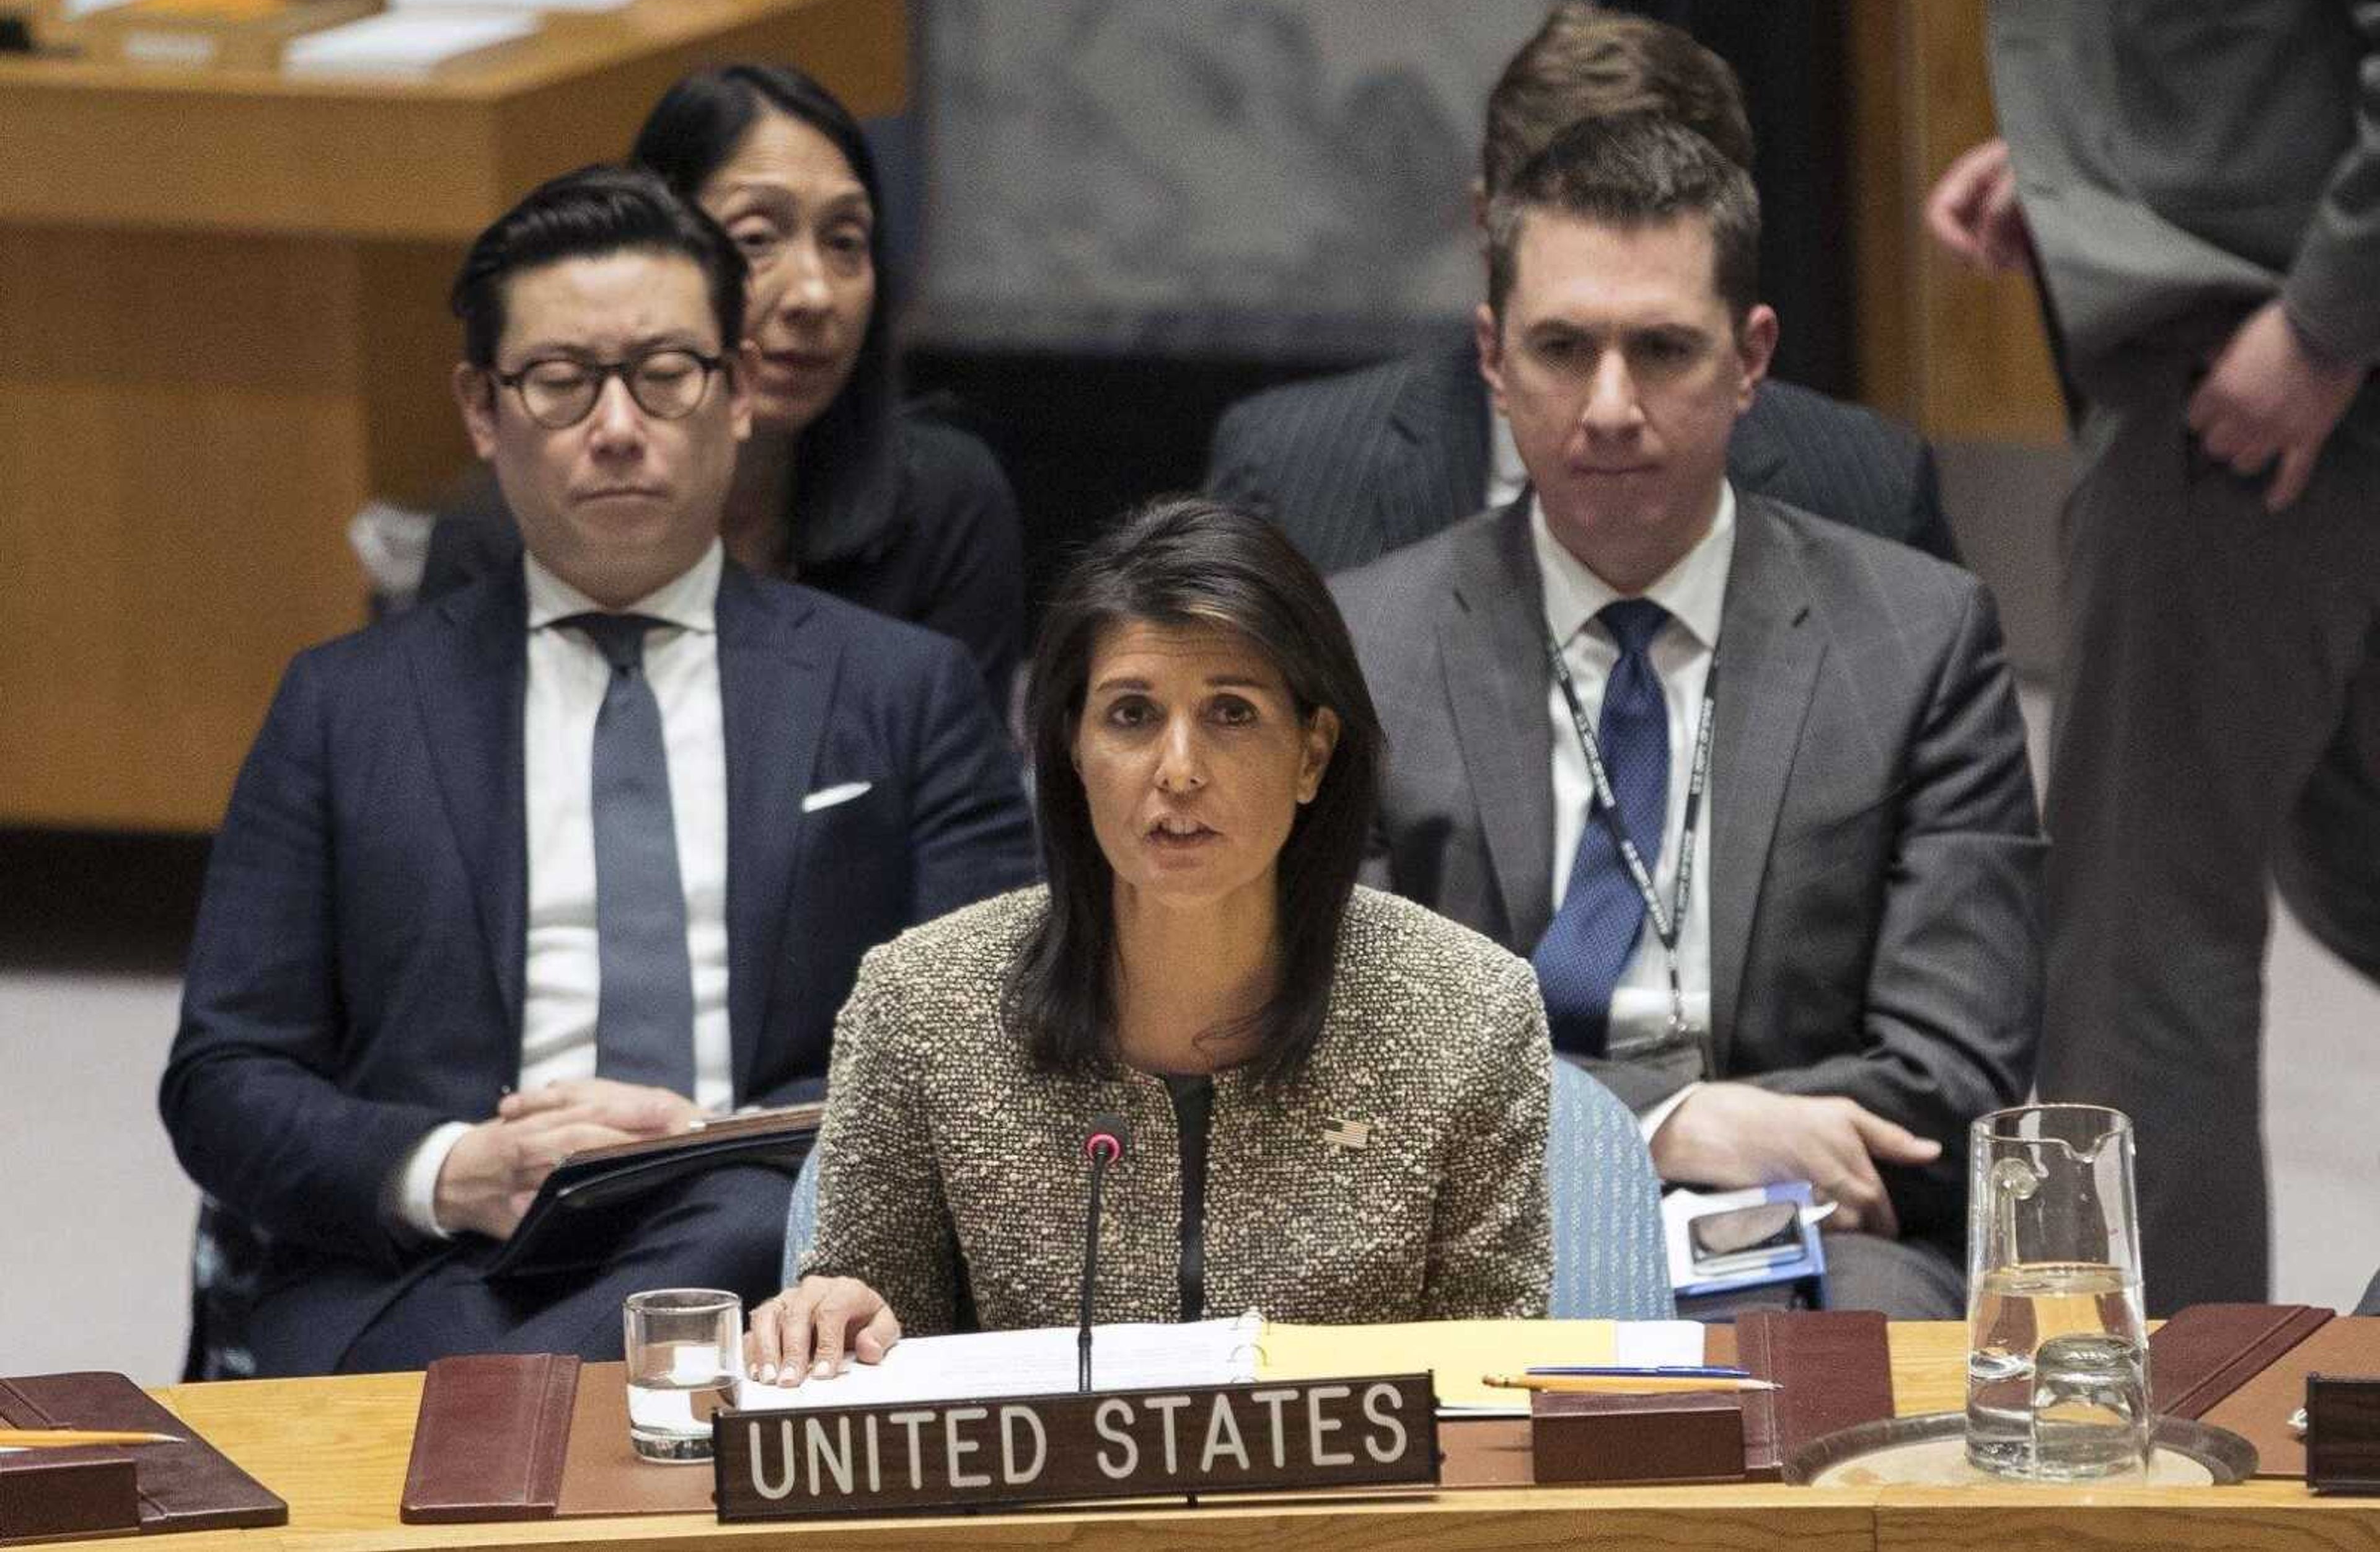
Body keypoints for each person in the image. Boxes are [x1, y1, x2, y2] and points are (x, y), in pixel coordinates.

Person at [159, 167, 1038, 1377]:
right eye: (563, 382)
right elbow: (224, 1077)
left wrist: (706, 1141)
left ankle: (500, 1423)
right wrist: (456, 1167)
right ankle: (526, 1409)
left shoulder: (901, 691)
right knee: (528, 1331)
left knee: (729, 1217)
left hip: (773, 1255)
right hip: (431, 1259)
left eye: (666, 375)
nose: (618, 427)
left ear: (733, 395)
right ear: (482, 408)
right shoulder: (342, 705)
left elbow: (996, 1046)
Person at [1335, 114, 2043, 1319]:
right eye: (1564, 348)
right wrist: (1659, 1123)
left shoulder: (1918, 639)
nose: (1611, 407)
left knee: (1882, 1352)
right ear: (1494, 359)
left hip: (1816, 1236)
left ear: (1751, 357)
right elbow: (1343, 1059)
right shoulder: (1363, 647)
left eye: (1663, 349)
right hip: (1471, 1231)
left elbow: (1955, 1071)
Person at [744, 500, 1554, 1381]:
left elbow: (1495, 1394)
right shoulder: (923, 1006)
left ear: (1313, 754)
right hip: (1036, 1511)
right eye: (1131, 715)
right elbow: (876, 1338)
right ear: (1072, 750)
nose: (1178, 769)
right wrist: (837, 1318)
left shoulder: (1467, 1012)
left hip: (1354, 1516)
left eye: (1232, 713)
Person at [1927, 0, 2380, 1315]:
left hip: (2259, 383)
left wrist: (2324, 321)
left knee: (2141, 940)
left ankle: (2171, 1430)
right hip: (2273, 341)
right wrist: (2084, 165)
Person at [1207, 5, 1957, 578]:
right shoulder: (1293, 474)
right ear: (1483, 225)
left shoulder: (1870, 491)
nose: (1610, 406)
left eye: (1661, 343)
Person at [421, 64, 1026, 708]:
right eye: (757, 239)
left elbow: (958, 788)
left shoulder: (942, 504)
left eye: (846, 241)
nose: (815, 295)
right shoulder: (497, 540)